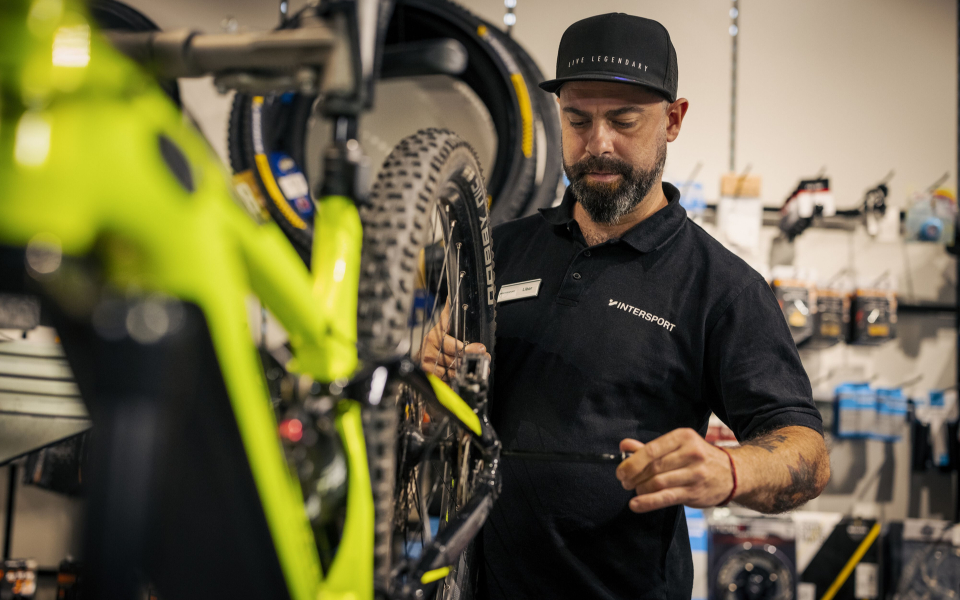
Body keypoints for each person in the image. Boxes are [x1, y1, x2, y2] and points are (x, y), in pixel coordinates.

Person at [419, 12, 830, 600]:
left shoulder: (720, 285)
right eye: (578, 120)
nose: (599, 144)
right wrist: (431, 380)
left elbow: (807, 456)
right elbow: (436, 419)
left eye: (624, 120)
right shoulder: (498, 251)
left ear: (674, 120)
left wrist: (729, 471)